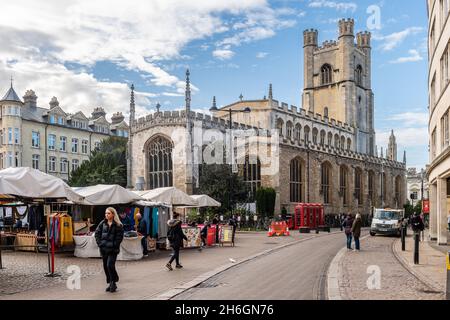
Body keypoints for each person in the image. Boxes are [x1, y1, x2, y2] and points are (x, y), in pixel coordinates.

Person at [95, 207, 124, 293]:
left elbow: (119, 238)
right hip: (104, 249)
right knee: (105, 267)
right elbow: (97, 233)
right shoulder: (102, 223)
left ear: (113, 214)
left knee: (109, 265)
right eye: (105, 213)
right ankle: (112, 283)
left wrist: (114, 245)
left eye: (108, 213)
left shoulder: (118, 225)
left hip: (113, 250)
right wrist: (100, 244)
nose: (106, 215)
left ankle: (113, 282)